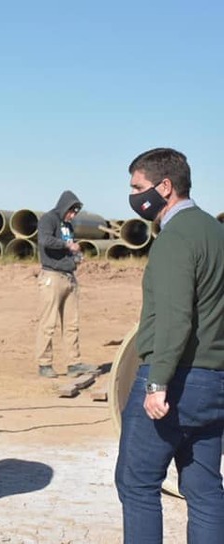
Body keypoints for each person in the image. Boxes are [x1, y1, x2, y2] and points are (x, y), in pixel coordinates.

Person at [115, 148, 224, 543]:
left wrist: (157, 382)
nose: (133, 195)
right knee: (205, 490)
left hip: (176, 380)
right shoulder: (216, 233)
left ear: (165, 186)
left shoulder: (175, 238)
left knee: (136, 483)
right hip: (215, 383)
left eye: (137, 187)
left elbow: (175, 317)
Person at [35, 190, 91, 378]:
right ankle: (44, 364)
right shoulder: (48, 220)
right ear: (64, 207)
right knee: (48, 324)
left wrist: (76, 256)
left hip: (69, 277)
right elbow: (45, 240)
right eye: (71, 211)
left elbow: (69, 244)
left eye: (75, 212)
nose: (73, 215)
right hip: (52, 277)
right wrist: (67, 246)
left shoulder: (67, 226)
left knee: (71, 324)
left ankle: (74, 363)